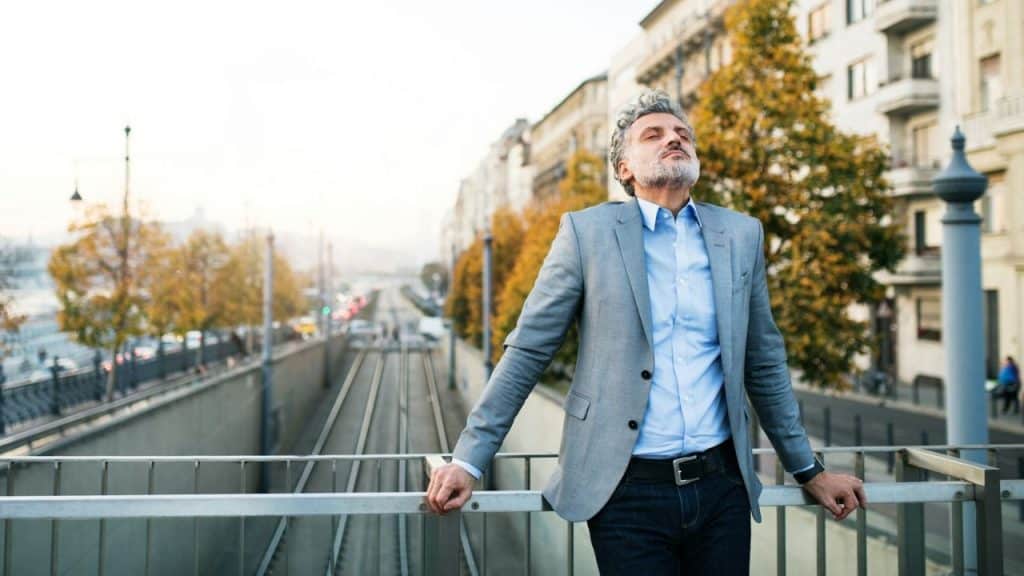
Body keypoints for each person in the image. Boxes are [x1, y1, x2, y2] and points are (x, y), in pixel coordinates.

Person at [425, 90, 866, 574]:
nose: (673, 139)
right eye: (652, 135)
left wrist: (809, 470)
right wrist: (469, 460)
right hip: (625, 491)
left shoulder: (740, 235)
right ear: (624, 168)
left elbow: (763, 361)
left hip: (723, 487)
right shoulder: (585, 233)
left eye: (682, 134)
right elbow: (529, 350)